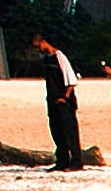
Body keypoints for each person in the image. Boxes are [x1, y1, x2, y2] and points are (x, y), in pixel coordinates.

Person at [32, 38, 85, 170]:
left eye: (38, 46)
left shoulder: (60, 57)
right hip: (52, 100)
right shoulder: (46, 59)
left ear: (44, 42)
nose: (38, 50)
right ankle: (62, 161)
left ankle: (76, 161)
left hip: (63, 101)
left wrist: (65, 97)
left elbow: (71, 80)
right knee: (57, 132)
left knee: (69, 132)